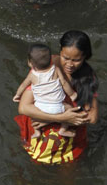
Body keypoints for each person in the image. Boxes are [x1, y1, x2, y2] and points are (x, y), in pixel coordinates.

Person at [15, 30, 99, 164]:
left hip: (66, 136)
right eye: (65, 58)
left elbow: (92, 118)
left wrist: (57, 119)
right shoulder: (45, 67)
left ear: (85, 57)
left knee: (67, 176)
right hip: (47, 126)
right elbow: (24, 107)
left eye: (76, 60)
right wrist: (60, 118)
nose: (70, 65)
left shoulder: (87, 78)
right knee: (27, 164)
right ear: (60, 51)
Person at [13, 43, 78, 138]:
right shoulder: (55, 69)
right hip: (58, 106)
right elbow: (64, 82)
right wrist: (72, 94)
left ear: (30, 63)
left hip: (40, 107)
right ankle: (63, 130)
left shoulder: (32, 75)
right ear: (51, 60)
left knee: (32, 116)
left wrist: (17, 95)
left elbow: (23, 85)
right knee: (70, 109)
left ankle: (37, 132)